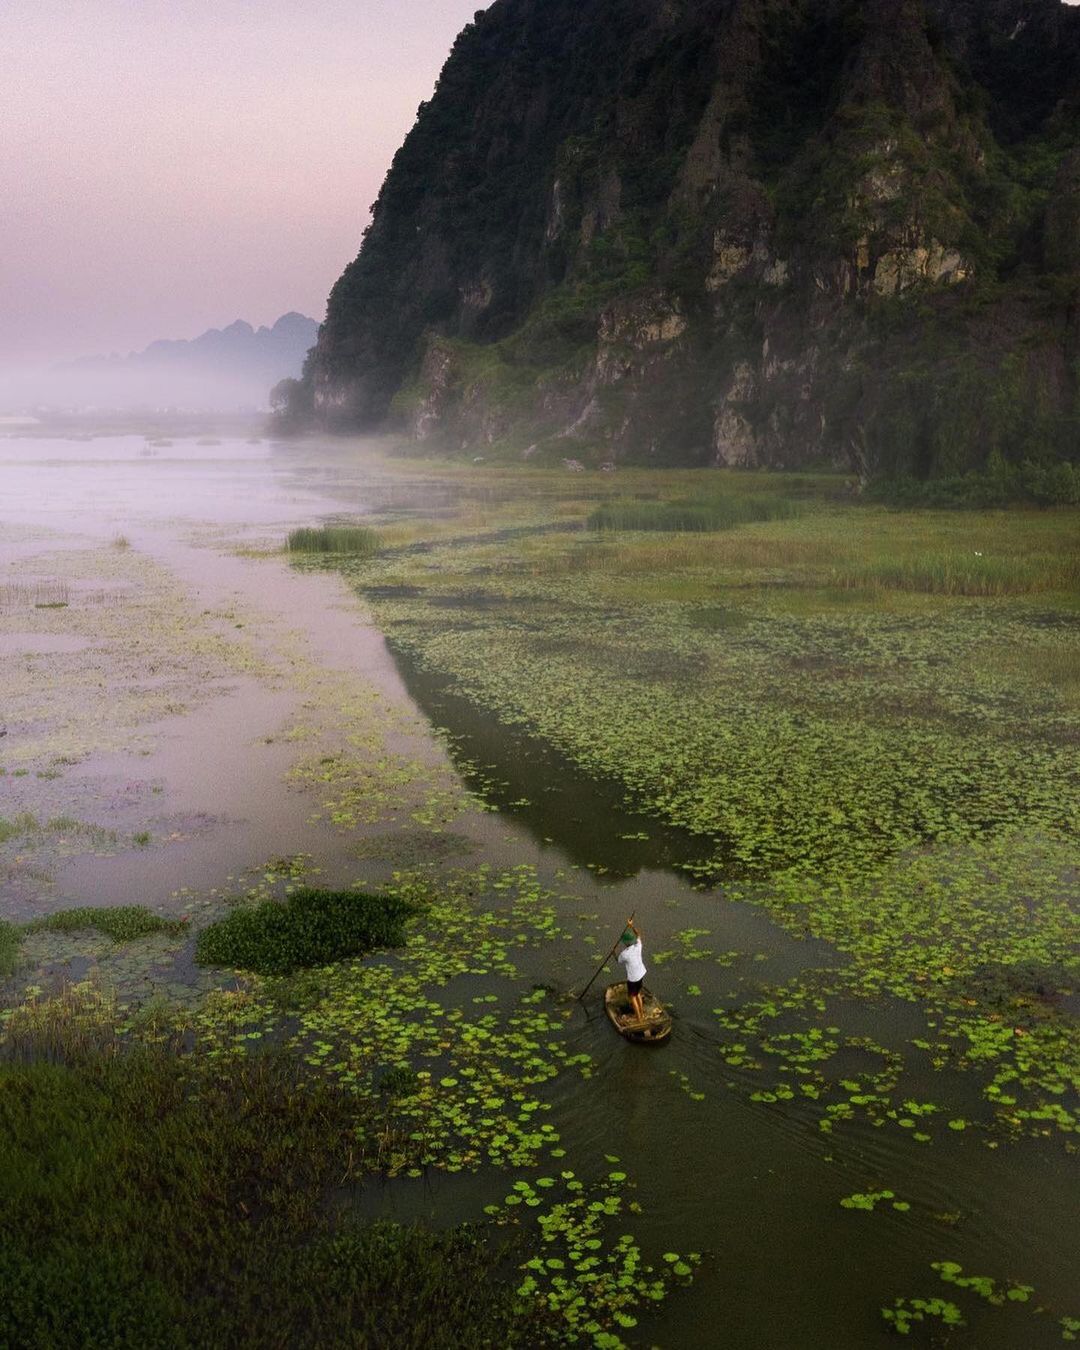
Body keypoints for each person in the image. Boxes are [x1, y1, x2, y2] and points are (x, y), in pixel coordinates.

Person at [616, 918, 647, 1024]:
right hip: (641, 974)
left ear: (625, 943)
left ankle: (639, 1019)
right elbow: (638, 934)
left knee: (632, 997)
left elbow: (618, 961)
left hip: (633, 979)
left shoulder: (624, 954)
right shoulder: (638, 945)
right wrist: (631, 926)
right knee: (638, 993)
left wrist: (614, 953)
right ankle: (641, 1014)